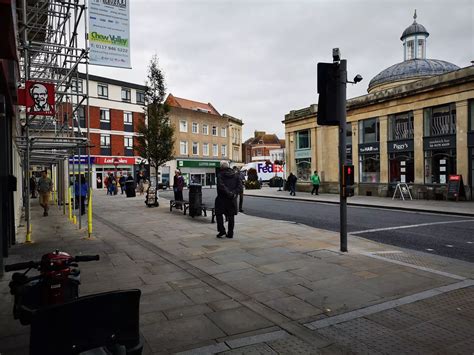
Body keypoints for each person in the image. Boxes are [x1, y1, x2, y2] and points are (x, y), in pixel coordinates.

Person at [214, 161, 243, 239]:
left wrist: (228, 192)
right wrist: (233, 193)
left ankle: (222, 230)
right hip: (232, 199)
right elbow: (240, 187)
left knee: (218, 214)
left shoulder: (220, 175)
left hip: (221, 198)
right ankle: (230, 233)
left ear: (221, 167)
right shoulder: (236, 175)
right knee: (231, 216)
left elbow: (221, 186)